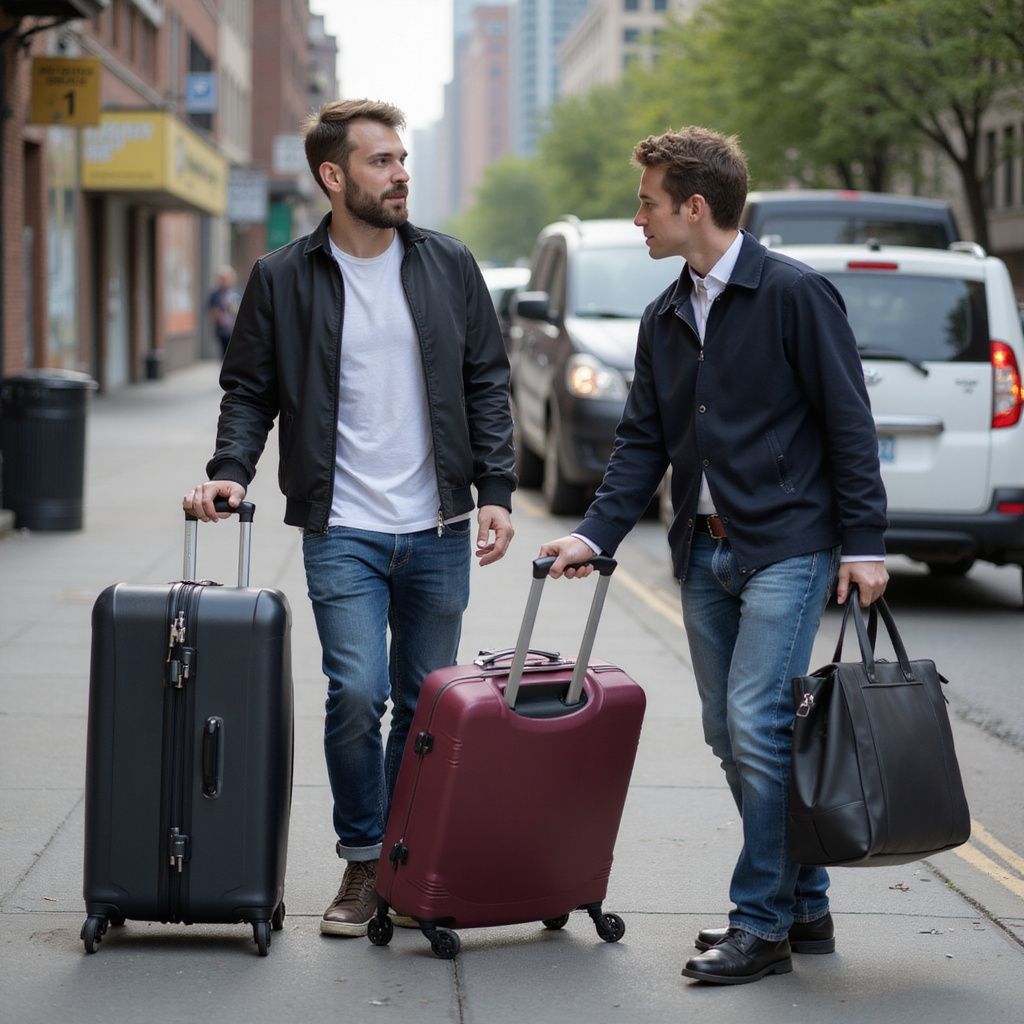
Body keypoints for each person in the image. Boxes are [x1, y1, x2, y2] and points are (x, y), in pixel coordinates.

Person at [540, 127, 888, 985]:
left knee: (761, 728)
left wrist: (867, 543)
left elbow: (849, 424)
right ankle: (804, 903)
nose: (638, 219)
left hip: (788, 547)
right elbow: (640, 445)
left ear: (695, 207)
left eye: (649, 203)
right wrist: (594, 535)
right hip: (704, 554)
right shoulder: (665, 315)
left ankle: (759, 924)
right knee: (728, 733)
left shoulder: (796, 296)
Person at [183, 99, 516, 938]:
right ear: (334, 177)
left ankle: (412, 859)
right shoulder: (282, 276)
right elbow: (250, 389)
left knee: (425, 704)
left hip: (438, 527)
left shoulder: (449, 263)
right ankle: (366, 858)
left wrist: (499, 490)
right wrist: (230, 473)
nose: (401, 173)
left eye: (403, 158)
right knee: (355, 693)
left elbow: (487, 382)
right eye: (381, 161)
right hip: (342, 528)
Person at [207, 265, 241, 358]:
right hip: (222, 330)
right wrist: (218, 316)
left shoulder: (238, 292)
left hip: (236, 329)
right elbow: (211, 309)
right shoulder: (215, 294)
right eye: (222, 279)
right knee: (224, 354)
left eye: (226, 278)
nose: (224, 281)